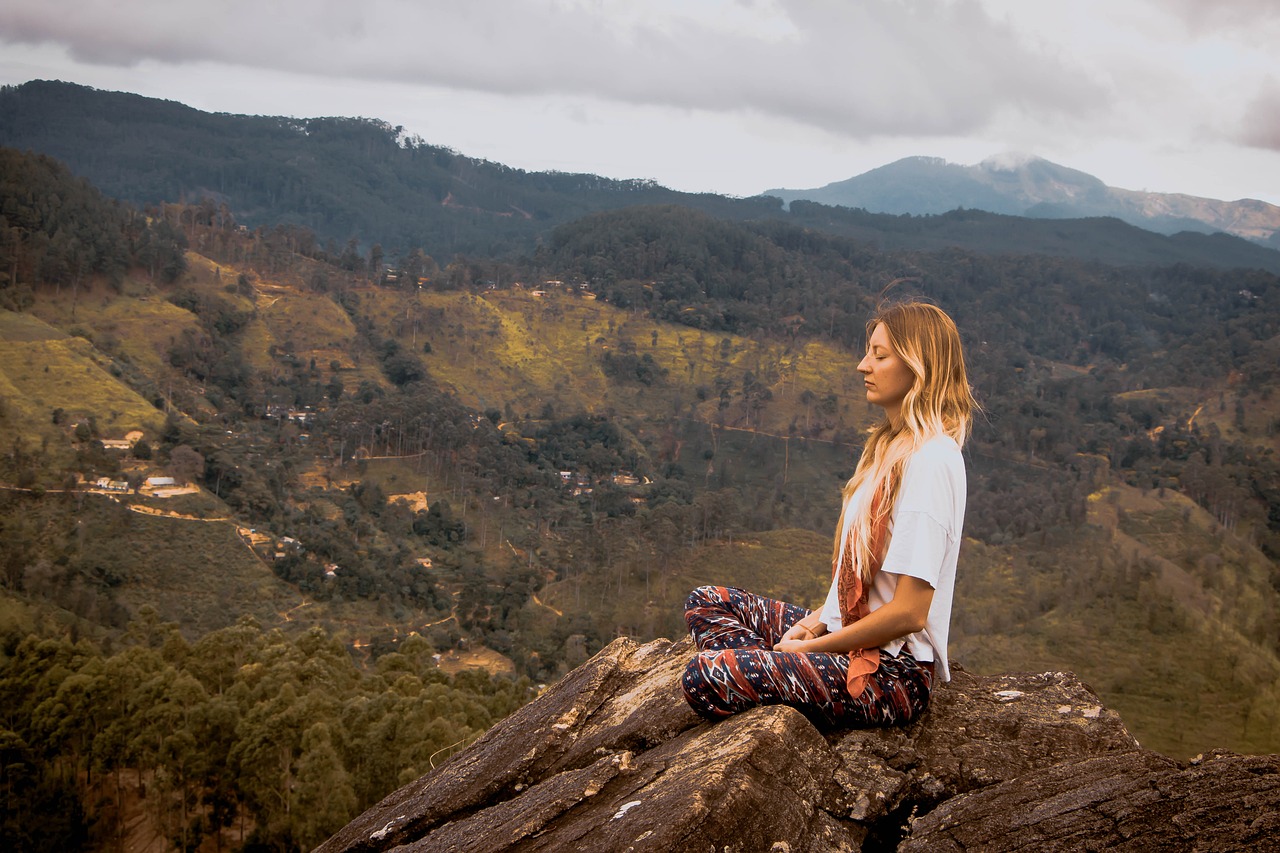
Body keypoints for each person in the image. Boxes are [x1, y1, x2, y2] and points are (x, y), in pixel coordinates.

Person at [681, 301, 977, 727]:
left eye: (879, 355)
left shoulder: (932, 460)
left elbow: (910, 612)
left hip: (891, 674)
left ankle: (767, 673)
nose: (862, 366)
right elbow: (863, 589)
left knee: (704, 677)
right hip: (850, 637)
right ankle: (772, 672)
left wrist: (811, 651)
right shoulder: (890, 449)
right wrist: (818, 623)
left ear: (919, 366)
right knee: (707, 602)